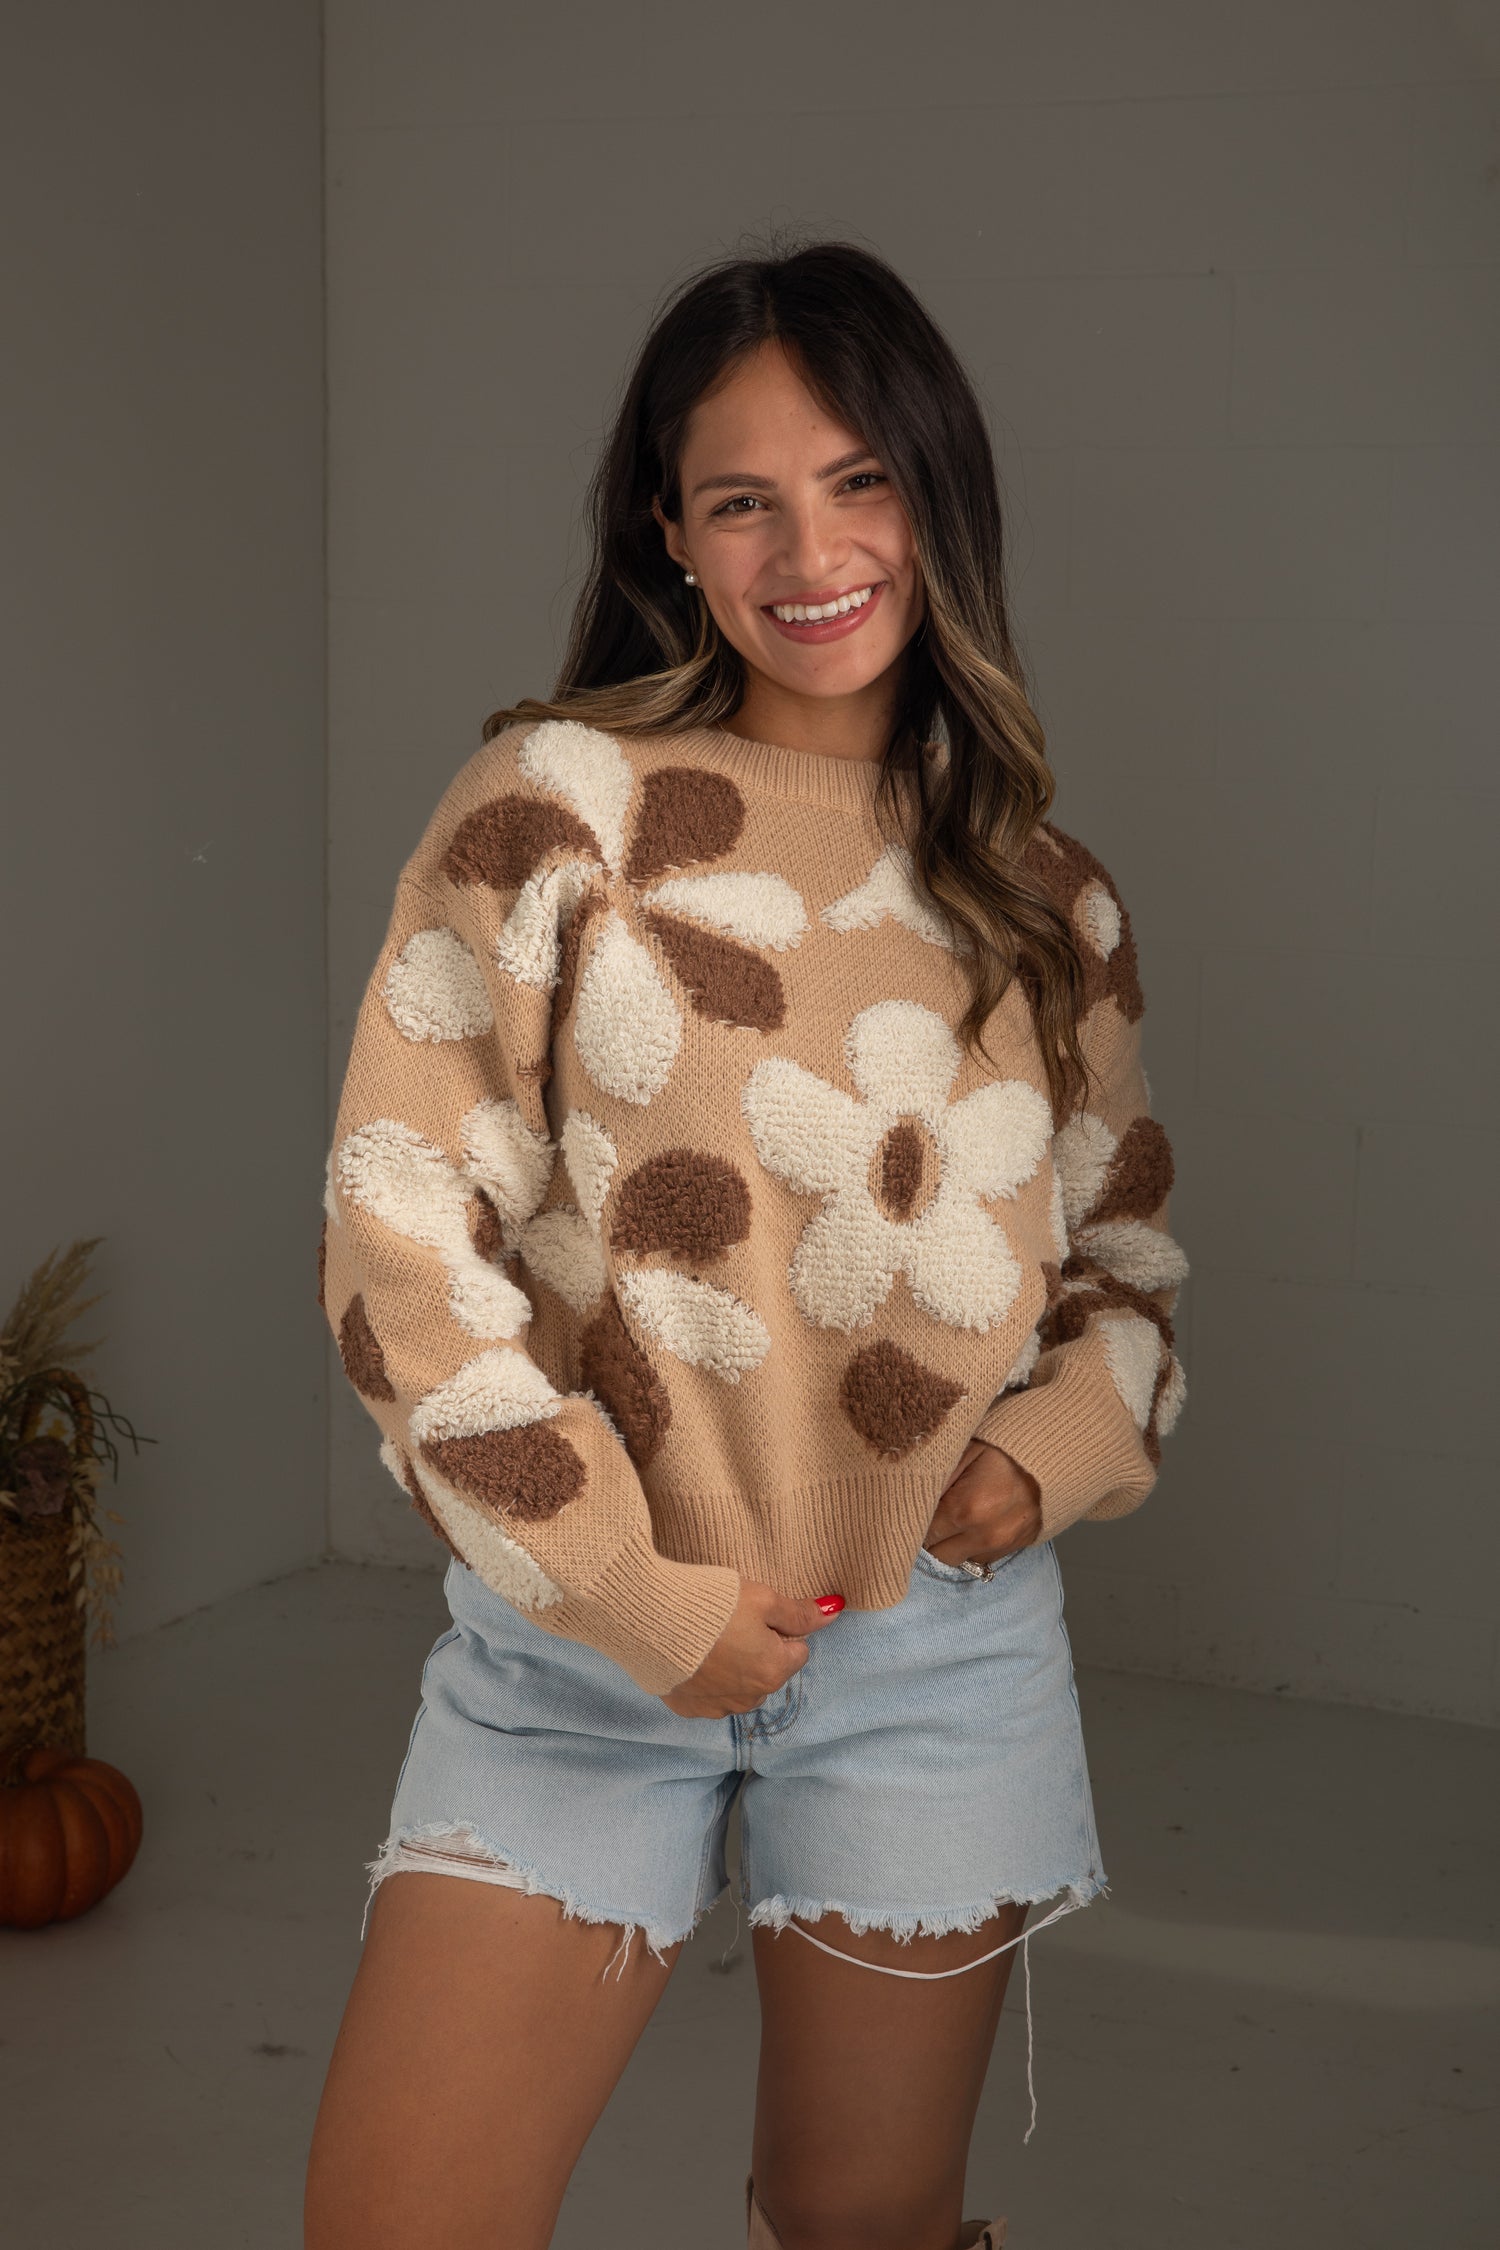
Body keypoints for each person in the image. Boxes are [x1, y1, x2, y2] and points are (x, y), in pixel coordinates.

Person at [303, 235, 1188, 2250]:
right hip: (577, 1649)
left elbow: (1124, 1271)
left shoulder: (1046, 896)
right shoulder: (559, 812)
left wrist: (1022, 1471)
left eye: (863, 478)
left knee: (863, 2228)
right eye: (744, 497)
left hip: (930, 1667)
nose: (813, 548)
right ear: (670, 533)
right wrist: (623, 1583)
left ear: (938, 496)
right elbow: (396, 1235)